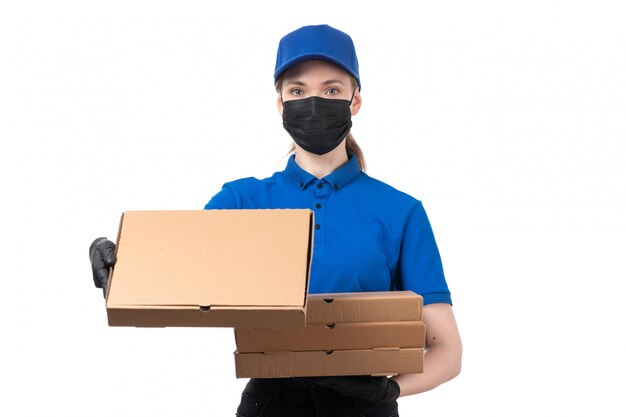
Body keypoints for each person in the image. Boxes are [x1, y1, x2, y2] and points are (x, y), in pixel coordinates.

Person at [89, 24, 462, 417]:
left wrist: (388, 392)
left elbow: (448, 351)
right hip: (270, 405)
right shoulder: (242, 200)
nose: (314, 101)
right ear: (281, 104)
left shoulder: (401, 211)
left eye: (331, 90)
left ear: (355, 102)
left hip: (364, 407)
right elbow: (181, 276)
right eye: (298, 91)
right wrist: (122, 266)